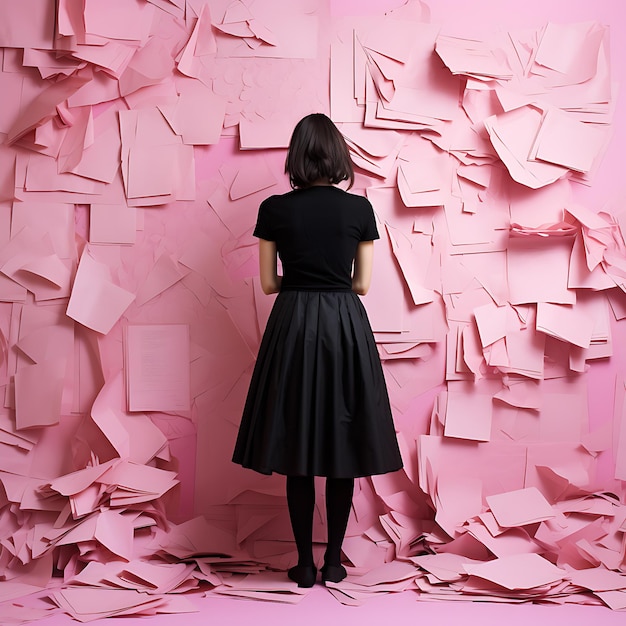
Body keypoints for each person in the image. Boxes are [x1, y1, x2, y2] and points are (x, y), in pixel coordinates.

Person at [232, 113, 403, 588]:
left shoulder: (274, 209)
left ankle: (303, 564)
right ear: (338, 156)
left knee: (299, 437)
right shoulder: (359, 210)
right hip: (345, 324)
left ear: (296, 158)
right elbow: (362, 284)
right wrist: (331, 284)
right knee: (342, 437)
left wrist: (303, 283)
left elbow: (269, 284)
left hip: (293, 324)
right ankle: (334, 562)